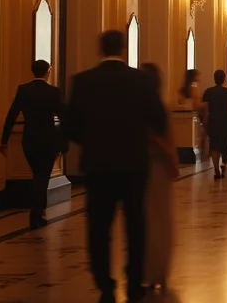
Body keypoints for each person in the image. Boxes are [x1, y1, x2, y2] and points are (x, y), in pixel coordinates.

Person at [65, 31, 167, 303]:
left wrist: (92, 140)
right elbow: (158, 120)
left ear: (100, 49)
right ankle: (134, 283)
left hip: (98, 166)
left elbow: (71, 127)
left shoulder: (83, 82)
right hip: (134, 164)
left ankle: (105, 286)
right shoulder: (141, 81)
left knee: (98, 228)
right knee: (136, 223)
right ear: (122, 48)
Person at [0, 59, 66, 229]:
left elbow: (11, 115)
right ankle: (36, 214)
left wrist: (4, 140)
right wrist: (64, 141)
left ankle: (39, 212)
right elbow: (64, 117)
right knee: (42, 176)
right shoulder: (54, 92)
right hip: (49, 140)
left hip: (29, 140)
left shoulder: (23, 90)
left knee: (38, 175)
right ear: (47, 72)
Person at [138, 64, 177, 291]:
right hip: (158, 167)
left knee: (148, 219)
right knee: (161, 220)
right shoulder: (159, 107)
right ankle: (160, 270)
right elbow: (167, 140)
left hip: (143, 166)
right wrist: (171, 160)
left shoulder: (138, 107)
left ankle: (149, 270)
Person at [200, 70, 227, 179]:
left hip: (213, 121)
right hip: (224, 121)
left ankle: (216, 169)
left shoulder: (208, 92)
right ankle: (223, 164)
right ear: (224, 78)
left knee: (214, 145)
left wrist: (205, 123)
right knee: (225, 144)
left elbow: (206, 110)